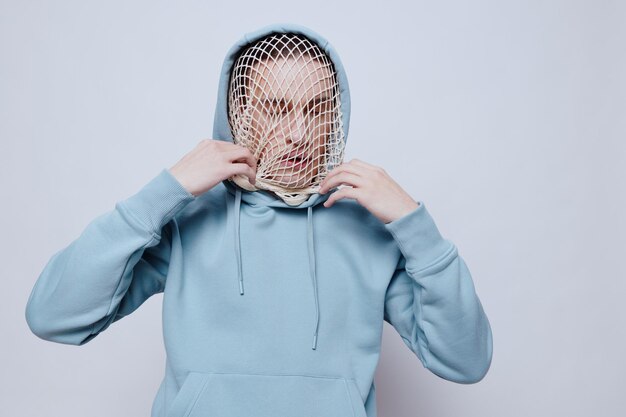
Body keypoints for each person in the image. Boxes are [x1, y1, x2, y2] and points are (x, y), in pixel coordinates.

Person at [25, 23, 493, 417]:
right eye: (276, 109)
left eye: (317, 111)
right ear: (237, 113)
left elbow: (465, 361)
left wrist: (414, 225)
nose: (297, 134)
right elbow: (54, 317)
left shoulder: (371, 229)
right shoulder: (188, 218)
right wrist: (165, 191)